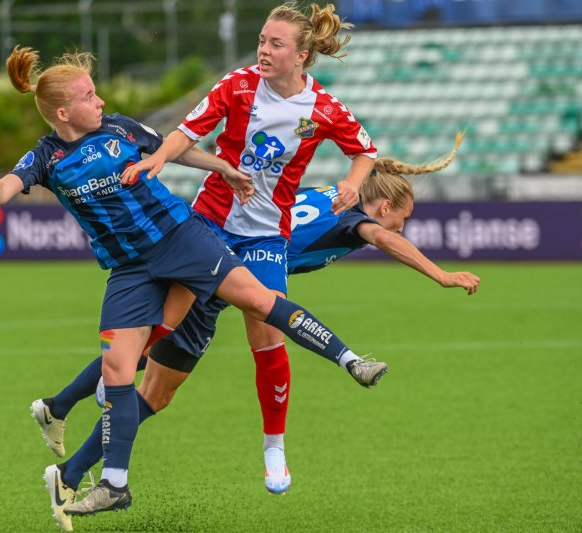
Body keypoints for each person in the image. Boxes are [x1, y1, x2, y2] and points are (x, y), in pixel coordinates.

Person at [0, 45, 387, 526]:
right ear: (63, 113)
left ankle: (351, 359)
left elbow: (176, 147)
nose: (101, 100)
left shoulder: (120, 127)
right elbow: (3, 190)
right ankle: (114, 485)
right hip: (128, 268)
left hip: (181, 238)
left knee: (257, 299)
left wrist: (223, 168)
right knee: (119, 369)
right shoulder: (45, 157)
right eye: (89, 96)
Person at [41, 135, 480, 531]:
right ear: (384, 207)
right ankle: (279, 441)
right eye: (402, 217)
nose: (402, 227)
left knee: (142, 361)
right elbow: (386, 240)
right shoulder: (354, 220)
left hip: (211, 259)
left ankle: (60, 422)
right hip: (215, 270)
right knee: (154, 379)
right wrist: (439, 274)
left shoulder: (329, 195)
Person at [119, 1, 378, 495]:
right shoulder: (236, 85)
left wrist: (352, 183)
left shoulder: (323, 108)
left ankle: (274, 448)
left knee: (266, 333)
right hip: (211, 222)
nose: (263, 49)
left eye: (275, 44)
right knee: (162, 327)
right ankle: (98, 388)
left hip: (265, 234)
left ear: (301, 55)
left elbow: (365, 149)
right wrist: (159, 158)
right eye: (261, 40)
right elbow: (187, 132)